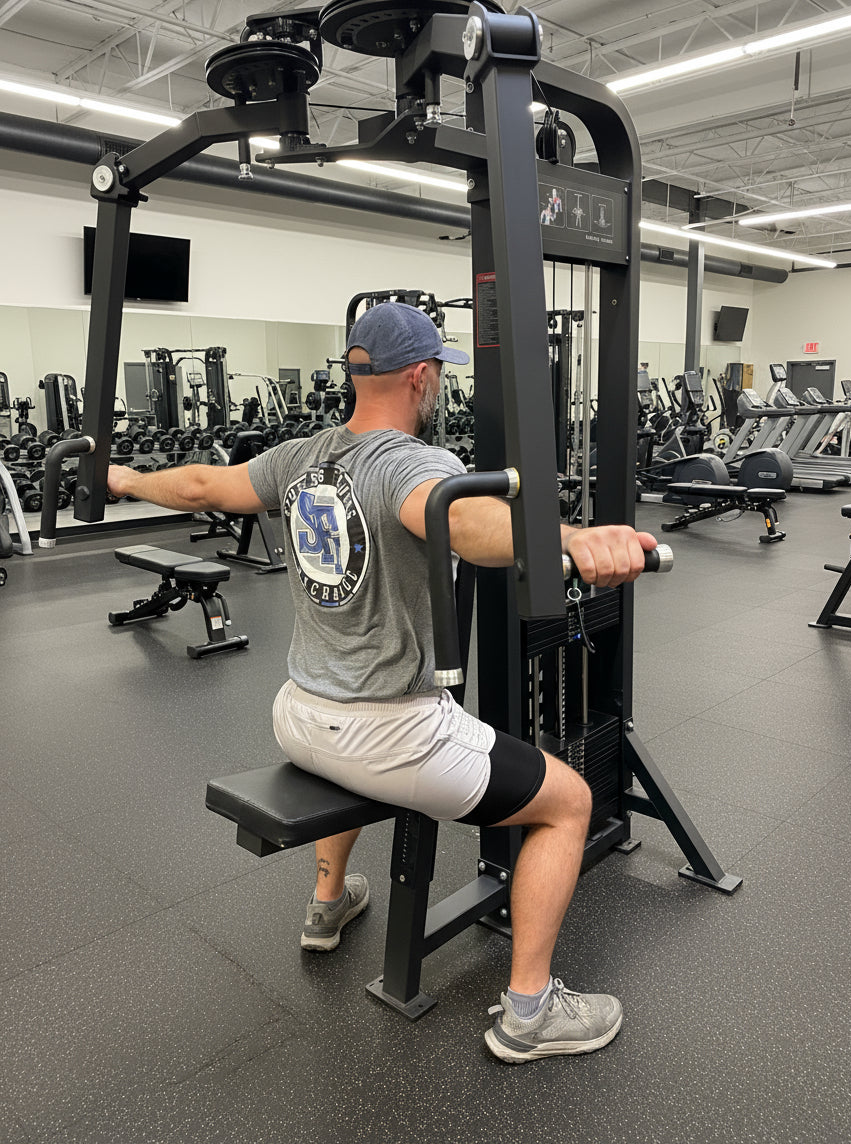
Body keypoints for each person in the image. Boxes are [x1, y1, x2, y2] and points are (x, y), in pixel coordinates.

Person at [107, 301, 657, 1064]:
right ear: (421, 377)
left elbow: (203, 486)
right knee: (568, 802)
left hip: (298, 715)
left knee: (346, 761)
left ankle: (327, 904)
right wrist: (569, 540)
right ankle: (530, 1013)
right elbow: (460, 523)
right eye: (438, 378)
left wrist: (124, 477)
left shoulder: (298, 456)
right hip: (390, 734)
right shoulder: (413, 464)